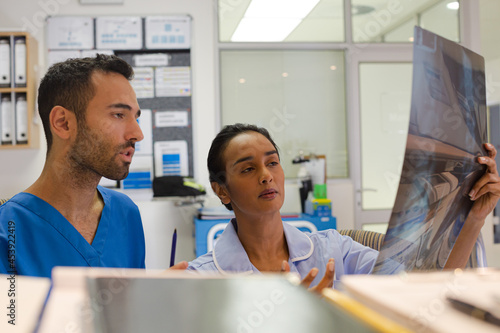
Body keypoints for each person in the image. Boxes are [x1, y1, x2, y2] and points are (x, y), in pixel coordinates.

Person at [188, 123, 500, 289]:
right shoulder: (203, 279)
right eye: (248, 169)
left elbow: (425, 287)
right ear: (221, 190)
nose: (267, 176)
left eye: (273, 162)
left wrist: (473, 218)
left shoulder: (334, 251)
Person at [0, 54, 187, 279]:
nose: (137, 134)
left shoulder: (125, 212)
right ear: (63, 123)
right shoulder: (8, 230)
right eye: (119, 115)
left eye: (135, 118)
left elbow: (126, 309)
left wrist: (149, 298)